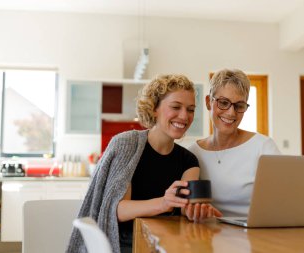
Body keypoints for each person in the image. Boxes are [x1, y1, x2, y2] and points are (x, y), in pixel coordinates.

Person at [67, 74, 221, 253]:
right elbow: (118, 210)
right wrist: (164, 202)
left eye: (191, 109)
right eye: (176, 107)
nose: (184, 116)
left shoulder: (189, 160)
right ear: (153, 108)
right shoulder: (128, 145)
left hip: (167, 242)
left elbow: (185, 208)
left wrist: (196, 210)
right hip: (126, 243)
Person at [189, 69, 281, 217]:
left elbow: (283, 198)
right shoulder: (193, 153)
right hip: (210, 234)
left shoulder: (263, 147)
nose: (231, 113)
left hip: (255, 234)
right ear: (208, 102)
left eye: (239, 106)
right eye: (223, 102)